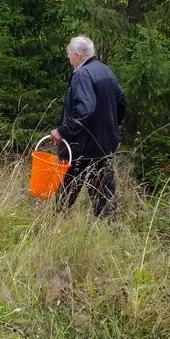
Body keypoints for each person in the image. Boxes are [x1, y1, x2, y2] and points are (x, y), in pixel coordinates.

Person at [50, 35, 125, 217]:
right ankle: (110, 233)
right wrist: (110, 129)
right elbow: (121, 103)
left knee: (65, 192)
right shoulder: (106, 71)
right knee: (104, 198)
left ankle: (55, 229)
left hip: (81, 147)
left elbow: (85, 110)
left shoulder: (82, 74)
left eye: (70, 57)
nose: (70, 61)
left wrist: (62, 131)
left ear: (77, 55)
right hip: (104, 145)